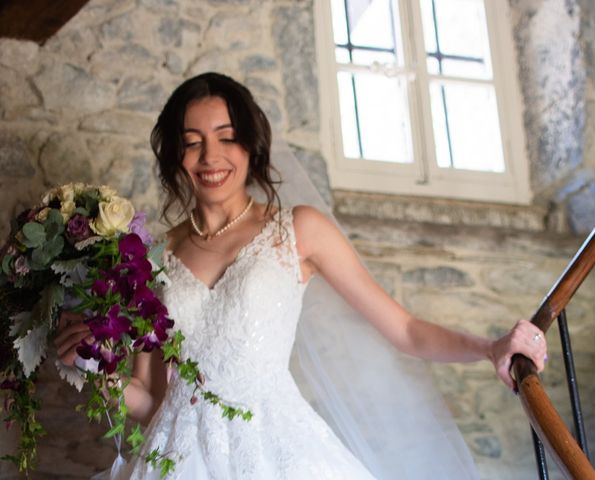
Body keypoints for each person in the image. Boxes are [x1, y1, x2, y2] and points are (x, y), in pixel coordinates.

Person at [55, 72, 547, 479]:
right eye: (192, 142)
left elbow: (406, 330)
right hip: (174, 463)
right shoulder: (153, 257)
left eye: (226, 138)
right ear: (176, 157)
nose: (210, 157)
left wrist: (490, 346)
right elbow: (151, 401)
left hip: (277, 453)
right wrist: (93, 366)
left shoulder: (297, 229)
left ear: (250, 145)